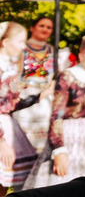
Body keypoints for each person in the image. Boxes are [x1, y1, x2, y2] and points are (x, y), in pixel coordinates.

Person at [23, 35, 85, 189]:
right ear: (81, 53)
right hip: (72, 138)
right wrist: (59, 151)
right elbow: (56, 115)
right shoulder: (68, 76)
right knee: (69, 187)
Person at [0, 23, 38, 191]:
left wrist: (38, 96)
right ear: (5, 42)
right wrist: (1, 142)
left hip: (8, 124)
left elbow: (14, 102)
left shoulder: (11, 68)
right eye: (20, 42)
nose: (24, 46)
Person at [13, 17, 57, 154]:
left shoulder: (51, 50)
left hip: (45, 98)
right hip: (24, 98)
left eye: (49, 27)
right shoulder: (20, 48)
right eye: (41, 26)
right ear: (32, 28)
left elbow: (54, 75)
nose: (45, 29)